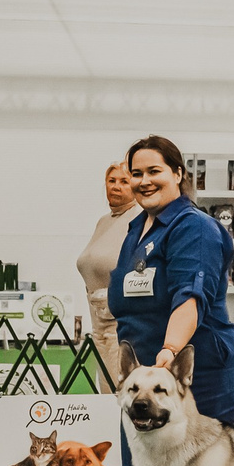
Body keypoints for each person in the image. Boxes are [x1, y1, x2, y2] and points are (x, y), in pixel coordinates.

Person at [107, 135, 234, 466]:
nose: (144, 182)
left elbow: (191, 296)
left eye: (154, 172)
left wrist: (167, 359)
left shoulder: (195, 228)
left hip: (192, 371)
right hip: (143, 376)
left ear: (179, 174)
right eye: (135, 173)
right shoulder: (136, 229)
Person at [75, 160, 139, 389]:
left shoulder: (139, 219)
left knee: (121, 390)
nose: (116, 186)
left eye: (124, 181)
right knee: (105, 389)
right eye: (111, 181)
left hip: (122, 321)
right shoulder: (103, 221)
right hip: (97, 321)